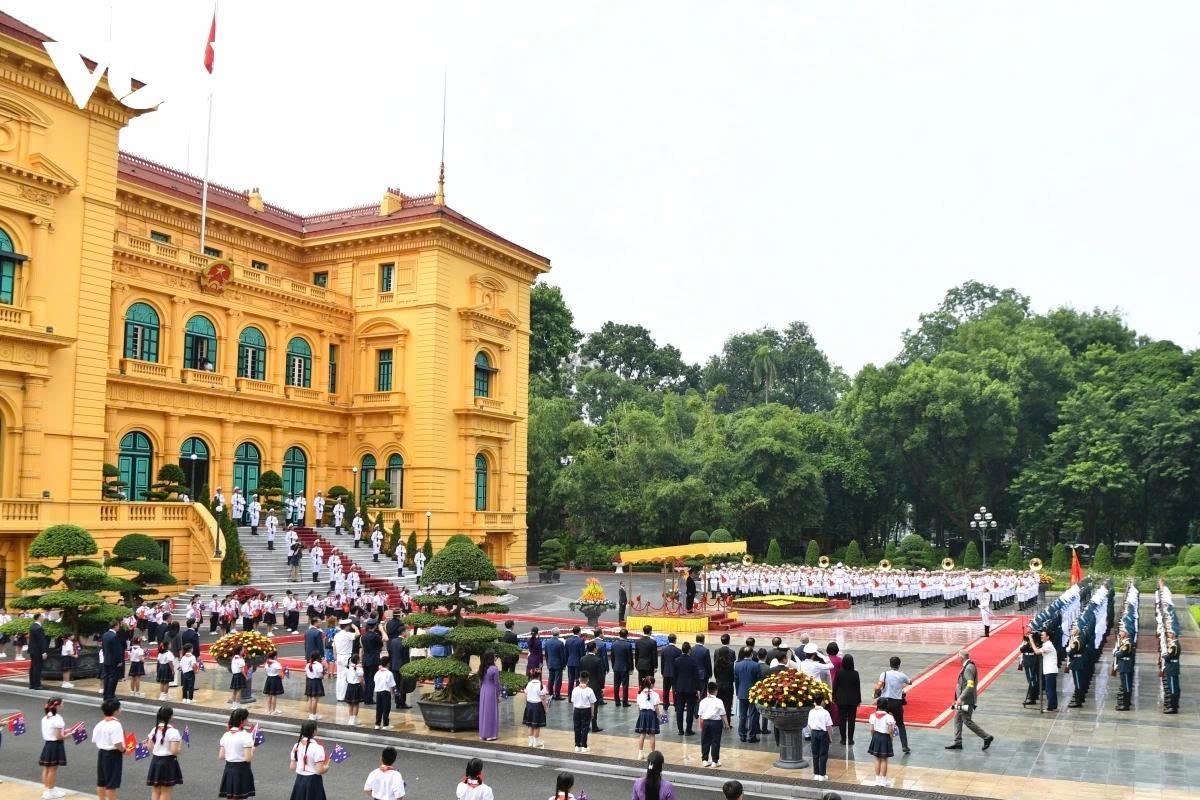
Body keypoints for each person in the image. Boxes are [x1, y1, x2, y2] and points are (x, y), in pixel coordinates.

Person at [946, 649, 993, 750]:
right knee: (957, 718)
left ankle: (987, 737)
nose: (957, 658)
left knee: (966, 720)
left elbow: (970, 685)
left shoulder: (968, 668)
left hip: (965, 700)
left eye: (957, 656)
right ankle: (958, 741)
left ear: (961, 657)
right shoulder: (968, 666)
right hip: (964, 699)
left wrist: (961, 697)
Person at [145, 705, 184, 800]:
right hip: (168, 762)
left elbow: (149, 747)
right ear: (171, 717)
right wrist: (179, 750)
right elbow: (174, 751)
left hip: (155, 761)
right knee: (166, 791)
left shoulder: (154, 729)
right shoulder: (173, 732)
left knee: (156, 790)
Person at [874, 656, 911, 754]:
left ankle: (881, 744)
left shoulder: (884, 674)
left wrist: (876, 691)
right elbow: (910, 682)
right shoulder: (901, 675)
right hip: (897, 703)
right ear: (899, 665)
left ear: (890, 664)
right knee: (900, 724)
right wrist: (901, 685)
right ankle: (905, 746)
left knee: (882, 722)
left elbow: (879, 685)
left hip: (884, 701)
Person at [218, 708, 256, 800]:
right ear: (242, 721)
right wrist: (252, 750)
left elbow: (221, 756)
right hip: (242, 771)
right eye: (246, 719)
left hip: (229, 770)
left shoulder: (226, 735)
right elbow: (248, 758)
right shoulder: (246, 736)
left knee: (231, 797)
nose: (248, 721)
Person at [93, 698, 125, 800]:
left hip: (101, 753)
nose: (121, 710)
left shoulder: (100, 724)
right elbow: (117, 743)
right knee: (111, 784)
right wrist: (124, 750)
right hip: (112, 755)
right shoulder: (115, 725)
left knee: (101, 781)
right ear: (115, 711)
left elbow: (95, 739)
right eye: (120, 708)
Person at [289, 720, 330, 800]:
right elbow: (319, 770)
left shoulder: (296, 746)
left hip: (299, 780)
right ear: (314, 731)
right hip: (313, 781)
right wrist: (326, 768)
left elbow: (292, 767)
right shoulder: (318, 748)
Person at [39, 697, 68, 799]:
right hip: (55, 745)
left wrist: (66, 731)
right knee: (53, 769)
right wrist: (69, 735)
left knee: (46, 768)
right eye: (62, 704)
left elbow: (53, 732)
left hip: (48, 744)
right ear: (58, 706)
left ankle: (48, 789)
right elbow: (58, 736)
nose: (63, 706)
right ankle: (51, 791)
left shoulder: (46, 717)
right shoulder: (58, 719)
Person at [697, 681, 730, 768]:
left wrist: (701, 726)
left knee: (705, 741)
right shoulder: (719, 701)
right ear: (716, 691)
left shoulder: (703, 701)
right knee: (715, 742)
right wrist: (727, 725)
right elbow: (723, 714)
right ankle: (714, 761)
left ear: (708, 690)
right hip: (716, 723)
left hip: (705, 722)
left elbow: (700, 715)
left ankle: (704, 760)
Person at [866, 698, 897, 786]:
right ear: (886, 706)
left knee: (877, 758)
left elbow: (871, 729)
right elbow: (890, 730)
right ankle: (883, 780)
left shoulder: (872, 715)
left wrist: (874, 737)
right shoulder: (889, 717)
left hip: (876, 736)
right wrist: (891, 738)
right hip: (885, 737)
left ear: (878, 705)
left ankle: (877, 780)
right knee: (884, 759)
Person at [672, 641, 700, 736]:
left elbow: (674, 676)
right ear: (689, 650)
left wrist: (675, 688)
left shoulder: (676, 661)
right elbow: (696, 677)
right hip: (691, 689)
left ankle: (680, 730)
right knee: (690, 710)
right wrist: (698, 689)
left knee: (679, 710)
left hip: (679, 688)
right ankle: (688, 730)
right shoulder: (693, 661)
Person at [832, 653, 861, 745]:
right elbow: (857, 688)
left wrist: (833, 696)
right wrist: (859, 700)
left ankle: (843, 739)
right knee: (852, 720)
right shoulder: (855, 673)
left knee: (842, 719)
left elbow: (835, 686)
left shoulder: (839, 673)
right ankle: (851, 739)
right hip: (853, 700)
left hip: (841, 699)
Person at [733, 647, 761, 743]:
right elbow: (759, 681)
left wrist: (737, 691)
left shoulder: (737, 665)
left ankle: (742, 735)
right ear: (752, 654)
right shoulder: (756, 665)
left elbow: (736, 680)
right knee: (752, 715)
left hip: (741, 692)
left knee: (742, 715)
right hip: (753, 693)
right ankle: (751, 735)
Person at [634, 676, 664, 760]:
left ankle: (640, 753)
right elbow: (656, 707)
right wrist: (660, 716)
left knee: (642, 734)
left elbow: (639, 707)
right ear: (652, 684)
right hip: (652, 714)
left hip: (643, 714)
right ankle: (652, 753)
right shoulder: (655, 694)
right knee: (652, 735)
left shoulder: (640, 694)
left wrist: (640, 715)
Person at [579, 641, 605, 732]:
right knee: (595, 706)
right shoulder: (597, 660)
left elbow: (581, 672)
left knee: (585, 705)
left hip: (585, 684)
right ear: (595, 649)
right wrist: (602, 687)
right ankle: (594, 725)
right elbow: (600, 675)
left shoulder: (582, 659)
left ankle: (585, 724)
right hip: (595, 686)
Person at [807, 698, 835, 781]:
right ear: (822, 701)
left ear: (814, 701)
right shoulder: (825, 712)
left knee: (815, 754)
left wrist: (812, 733)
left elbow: (809, 724)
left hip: (814, 733)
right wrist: (830, 737)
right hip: (823, 734)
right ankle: (822, 775)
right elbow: (829, 726)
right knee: (823, 754)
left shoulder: (811, 711)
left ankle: (816, 774)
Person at [570, 670, 597, 753]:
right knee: (585, 728)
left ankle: (577, 745)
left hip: (577, 710)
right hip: (586, 710)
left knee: (577, 728)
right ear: (587, 680)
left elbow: (573, 703)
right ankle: (584, 746)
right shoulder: (589, 690)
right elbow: (592, 704)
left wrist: (574, 711)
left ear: (579, 679)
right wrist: (592, 713)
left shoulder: (575, 690)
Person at [1031, 631, 1059, 712]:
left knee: (1049, 689)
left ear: (1048, 637)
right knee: (1051, 689)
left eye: (1043, 635)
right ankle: (1053, 706)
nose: (1041, 637)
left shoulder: (1048, 645)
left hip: (1050, 670)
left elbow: (1036, 652)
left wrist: (1031, 641)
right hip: (1050, 670)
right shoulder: (1046, 644)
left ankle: (1051, 707)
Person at [523, 666, 549, 748]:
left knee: (530, 725)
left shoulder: (528, 684)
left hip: (529, 705)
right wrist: (545, 708)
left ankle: (530, 742)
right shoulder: (541, 686)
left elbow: (526, 696)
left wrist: (527, 705)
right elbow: (543, 699)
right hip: (537, 706)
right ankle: (536, 742)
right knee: (537, 725)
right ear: (539, 676)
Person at [478, 653, 501, 741]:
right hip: (491, 691)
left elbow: (480, 682)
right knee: (491, 713)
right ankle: (490, 734)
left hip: (483, 691)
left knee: (483, 713)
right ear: (492, 658)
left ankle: (482, 734)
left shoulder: (482, 668)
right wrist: (499, 694)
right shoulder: (494, 669)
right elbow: (497, 683)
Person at [714, 634, 736, 717]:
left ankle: (719, 719)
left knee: (719, 702)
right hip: (728, 683)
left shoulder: (716, 652)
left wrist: (717, 679)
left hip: (719, 682)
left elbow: (715, 670)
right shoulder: (732, 653)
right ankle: (727, 721)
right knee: (727, 703)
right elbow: (733, 670)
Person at [611, 628, 634, 706]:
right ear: (626, 635)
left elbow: (612, 657)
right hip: (625, 668)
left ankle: (617, 701)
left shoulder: (614, 644)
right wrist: (631, 668)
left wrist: (613, 666)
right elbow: (630, 658)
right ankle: (625, 702)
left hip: (616, 667)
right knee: (625, 685)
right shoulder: (628, 645)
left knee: (616, 685)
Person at [374, 655, 397, 729]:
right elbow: (391, 685)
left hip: (378, 692)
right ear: (388, 664)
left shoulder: (377, 673)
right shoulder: (389, 673)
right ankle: (385, 725)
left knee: (379, 708)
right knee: (386, 708)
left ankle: (377, 724)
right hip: (386, 692)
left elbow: (375, 681)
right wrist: (392, 693)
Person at [658, 634, 680, 711]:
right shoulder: (678, 651)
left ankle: (665, 705)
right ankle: (676, 706)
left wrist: (662, 672)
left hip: (666, 672)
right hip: (675, 673)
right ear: (675, 640)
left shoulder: (664, 650)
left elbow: (662, 662)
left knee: (666, 690)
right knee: (675, 690)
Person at [544, 628, 566, 700]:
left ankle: (550, 693)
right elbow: (562, 656)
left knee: (550, 679)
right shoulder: (560, 643)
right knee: (558, 680)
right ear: (559, 633)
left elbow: (546, 655)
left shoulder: (547, 642)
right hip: (558, 664)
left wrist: (548, 663)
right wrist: (564, 665)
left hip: (550, 663)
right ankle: (557, 694)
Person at [344, 653, 365, 725]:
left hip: (349, 686)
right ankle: (354, 719)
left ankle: (351, 719)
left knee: (350, 704)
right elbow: (361, 680)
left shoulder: (347, 667)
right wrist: (363, 686)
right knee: (356, 704)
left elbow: (346, 679)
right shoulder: (359, 668)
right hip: (357, 687)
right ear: (358, 660)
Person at [262, 650, 285, 716]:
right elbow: (281, 675)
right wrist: (283, 675)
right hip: (275, 680)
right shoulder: (276, 664)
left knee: (269, 695)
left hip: (269, 679)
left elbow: (266, 673)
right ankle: (274, 710)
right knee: (274, 695)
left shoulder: (266, 663)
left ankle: (269, 710)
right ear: (275, 657)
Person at [304, 653, 326, 721]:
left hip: (309, 682)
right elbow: (320, 676)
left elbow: (306, 674)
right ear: (317, 658)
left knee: (310, 699)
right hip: (316, 682)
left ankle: (312, 714)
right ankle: (313, 715)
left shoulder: (308, 664)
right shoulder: (319, 665)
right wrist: (324, 673)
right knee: (314, 700)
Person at [28, 612, 48, 690]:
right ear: (39, 617)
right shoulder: (39, 628)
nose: (43, 618)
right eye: (42, 616)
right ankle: (37, 685)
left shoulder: (32, 626)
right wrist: (44, 652)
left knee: (33, 667)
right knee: (37, 668)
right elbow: (41, 641)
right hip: (38, 651)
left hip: (32, 650)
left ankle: (32, 684)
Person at [565, 626, 585, 693]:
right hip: (578, 663)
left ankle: (570, 697)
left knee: (570, 680)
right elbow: (582, 654)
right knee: (578, 680)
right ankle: (576, 695)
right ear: (579, 632)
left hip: (570, 662)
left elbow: (566, 653)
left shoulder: (568, 640)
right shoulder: (581, 641)